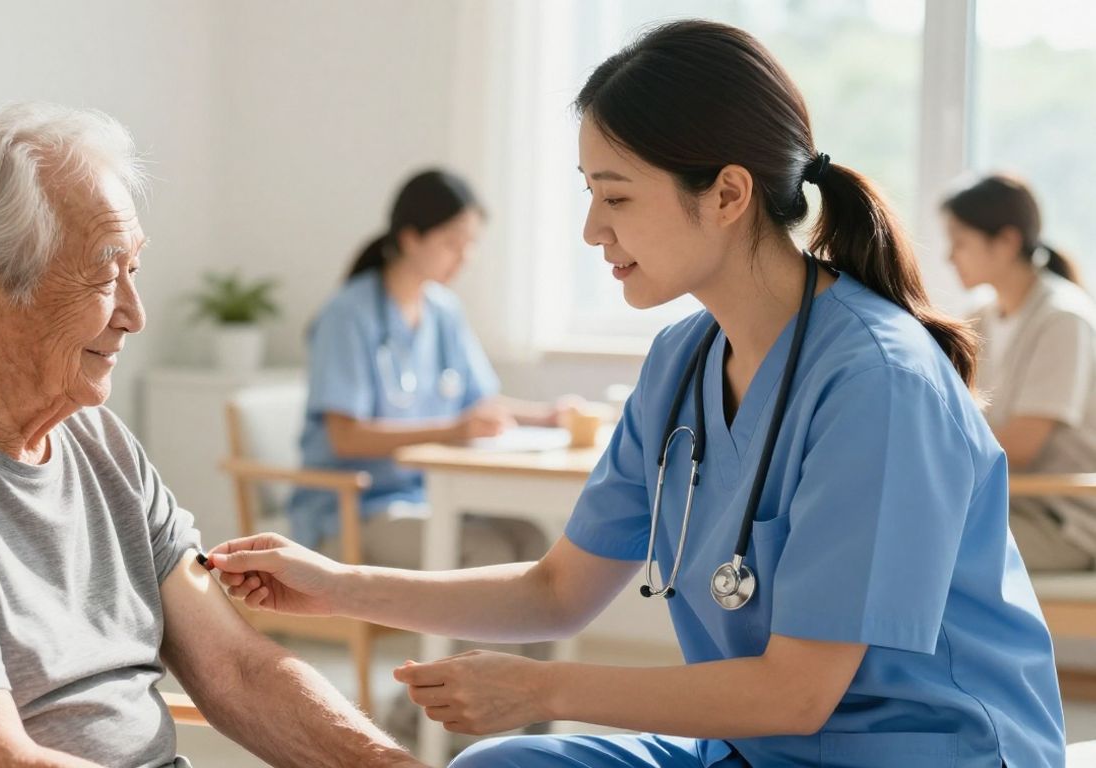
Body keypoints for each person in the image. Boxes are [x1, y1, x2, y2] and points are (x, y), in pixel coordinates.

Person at [207, 21, 1064, 767]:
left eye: (615, 196)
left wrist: (541, 686)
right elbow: (557, 591)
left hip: (920, 754)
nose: (592, 230)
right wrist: (338, 584)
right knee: (502, 765)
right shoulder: (682, 361)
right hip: (757, 755)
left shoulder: (879, 381)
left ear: (727, 194)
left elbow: (798, 695)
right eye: (589, 194)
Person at [0, 104, 425, 768]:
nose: (135, 313)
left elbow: (237, 669)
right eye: (106, 273)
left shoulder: (98, 442)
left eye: (134, 269)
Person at [290, 168, 566, 569]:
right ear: (410, 238)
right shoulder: (348, 315)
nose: (464, 257)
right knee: (487, 554)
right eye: (452, 243)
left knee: (533, 541)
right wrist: (453, 430)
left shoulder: (443, 310)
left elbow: (479, 402)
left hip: (426, 496)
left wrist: (548, 417)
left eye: (471, 244)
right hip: (353, 511)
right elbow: (345, 438)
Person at [943, 174, 1096, 571]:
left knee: (919, 545)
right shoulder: (979, 317)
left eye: (960, 241)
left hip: (1061, 518)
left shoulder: (1063, 318)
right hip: (1009, 506)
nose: (949, 256)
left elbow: (1021, 448)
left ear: (1007, 242)